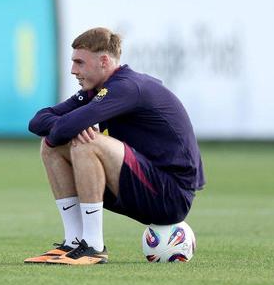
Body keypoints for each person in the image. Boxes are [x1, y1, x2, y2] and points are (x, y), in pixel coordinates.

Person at [24, 27, 204, 265]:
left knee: (86, 142)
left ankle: (93, 246)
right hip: (145, 185)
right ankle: (74, 242)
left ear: (104, 61)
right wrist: (67, 127)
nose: (73, 70)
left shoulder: (127, 87)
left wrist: (71, 127)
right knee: (51, 146)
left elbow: (62, 129)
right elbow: (37, 121)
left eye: (80, 62)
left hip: (170, 196)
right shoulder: (98, 90)